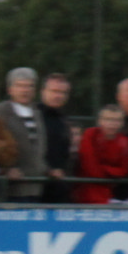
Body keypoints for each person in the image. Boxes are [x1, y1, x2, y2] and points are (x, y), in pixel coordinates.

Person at [0, 68, 52, 198]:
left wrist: (47, 169)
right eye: (20, 86)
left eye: (29, 86)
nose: (25, 90)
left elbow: (38, 147)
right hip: (11, 187)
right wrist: (6, 169)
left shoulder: (37, 113)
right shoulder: (1, 112)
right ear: (10, 89)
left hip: (36, 185)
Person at [71, 104, 128, 204]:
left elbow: (124, 170)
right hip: (85, 192)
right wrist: (110, 172)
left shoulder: (124, 141)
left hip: (110, 194)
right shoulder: (90, 134)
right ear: (100, 121)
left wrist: (103, 169)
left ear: (122, 123)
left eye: (117, 120)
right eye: (108, 119)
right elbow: (89, 167)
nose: (112, 124)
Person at [36, 74, 76, 202]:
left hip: (60, 186)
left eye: (63, 92)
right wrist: (48, 170)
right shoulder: (34, 116)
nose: (58, 96)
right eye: (54, 91)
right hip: (37, 185)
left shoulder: (64, 120)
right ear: (43, 92)